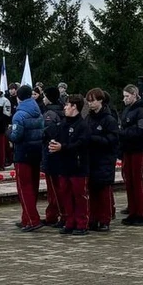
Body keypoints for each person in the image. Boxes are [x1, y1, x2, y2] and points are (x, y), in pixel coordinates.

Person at [49, 94, 91, 236]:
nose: (65, 108)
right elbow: (59, 139)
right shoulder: (63, 124)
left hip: (78, 166)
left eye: (67, 105)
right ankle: (69, 221)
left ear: (74, 107)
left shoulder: (83, 125)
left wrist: (63, 147)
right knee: (66, 195)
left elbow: (81, 144)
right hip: (64, 165)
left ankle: (82, 223)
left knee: (79, 196)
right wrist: (54, 145)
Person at [9, 85, 44, 232]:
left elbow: (16, 136)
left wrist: (8, 132)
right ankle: (26, 218)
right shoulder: (38, 111)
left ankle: (31, 219)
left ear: (18, 96)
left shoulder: (19, 114)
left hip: (23, 153)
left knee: (24, 188)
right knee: (33, 186)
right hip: (36, 151)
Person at [118, 84, 143, 226]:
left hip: (138, 149)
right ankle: (132, 211)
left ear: (134, 95)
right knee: (129, 180)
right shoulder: (127, 110)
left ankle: (140, 213)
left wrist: (124, 133)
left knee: (136, 181)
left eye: (127, 96)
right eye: (124, 96)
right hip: (128, 148)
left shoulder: (142, 110)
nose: (124, 99)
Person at [85, 88, 118, 231]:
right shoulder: (88, 118)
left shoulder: (109, 119)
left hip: (104, 160)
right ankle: (93, 219)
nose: (90, 104)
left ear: (101, 101)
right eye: (89, 101)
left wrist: (94, 138)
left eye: (93, 101)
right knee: (92, 191)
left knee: (103, 191)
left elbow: (112, 140)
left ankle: (105, 220)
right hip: (91, 159)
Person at [40, 87, 64, 227]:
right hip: (59, 155)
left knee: (54, 189)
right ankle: (58, 214)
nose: (43, 98)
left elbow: (47, 133)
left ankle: (54, 215)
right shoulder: (62, 109)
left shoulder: (50, 113)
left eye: (44, 96)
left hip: (51, 154)